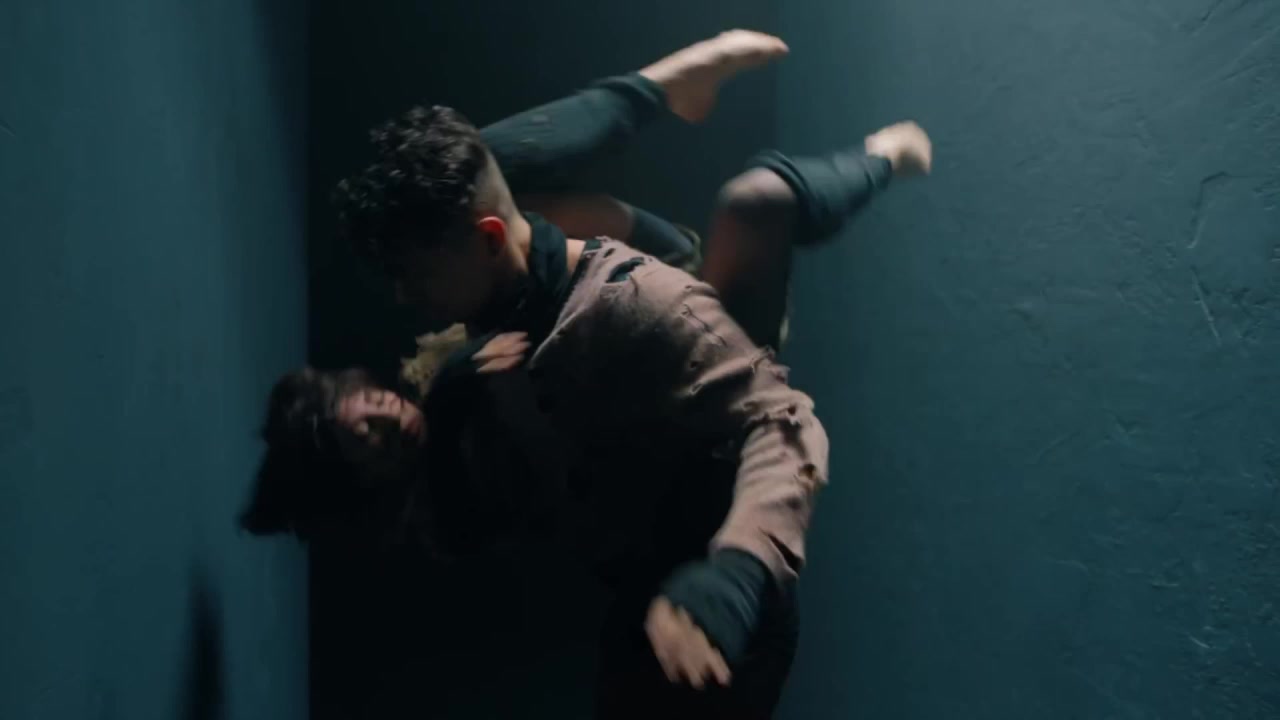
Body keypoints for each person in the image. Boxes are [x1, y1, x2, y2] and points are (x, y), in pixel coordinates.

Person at [243, 29, 932, 720]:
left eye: (413, 276)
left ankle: (861, 149)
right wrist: (461, 403)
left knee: (756, 202)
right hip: (648, 487)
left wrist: (734, 577)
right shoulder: (473, 359)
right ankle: (662, 91)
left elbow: (785, 423)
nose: (402, 297)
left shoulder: (628, 307)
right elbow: (485, 511)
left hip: (688, 375)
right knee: (472, 172)